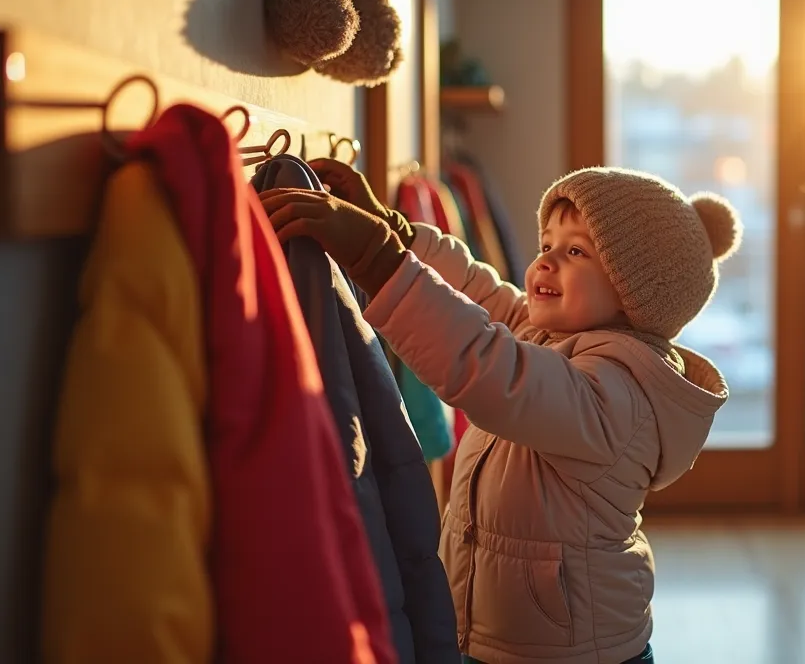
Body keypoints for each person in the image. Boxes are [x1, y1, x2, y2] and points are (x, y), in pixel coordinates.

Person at [259, 160, 739, 664]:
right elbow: (478, 295)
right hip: (503, 635)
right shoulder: (551, 336)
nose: (546, 262)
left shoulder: (616, 396)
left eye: (575, 251)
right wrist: (393, 231)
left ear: (635, 297)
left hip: (573, 653)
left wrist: (376, 259)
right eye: (546, 245)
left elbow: (490, 366)